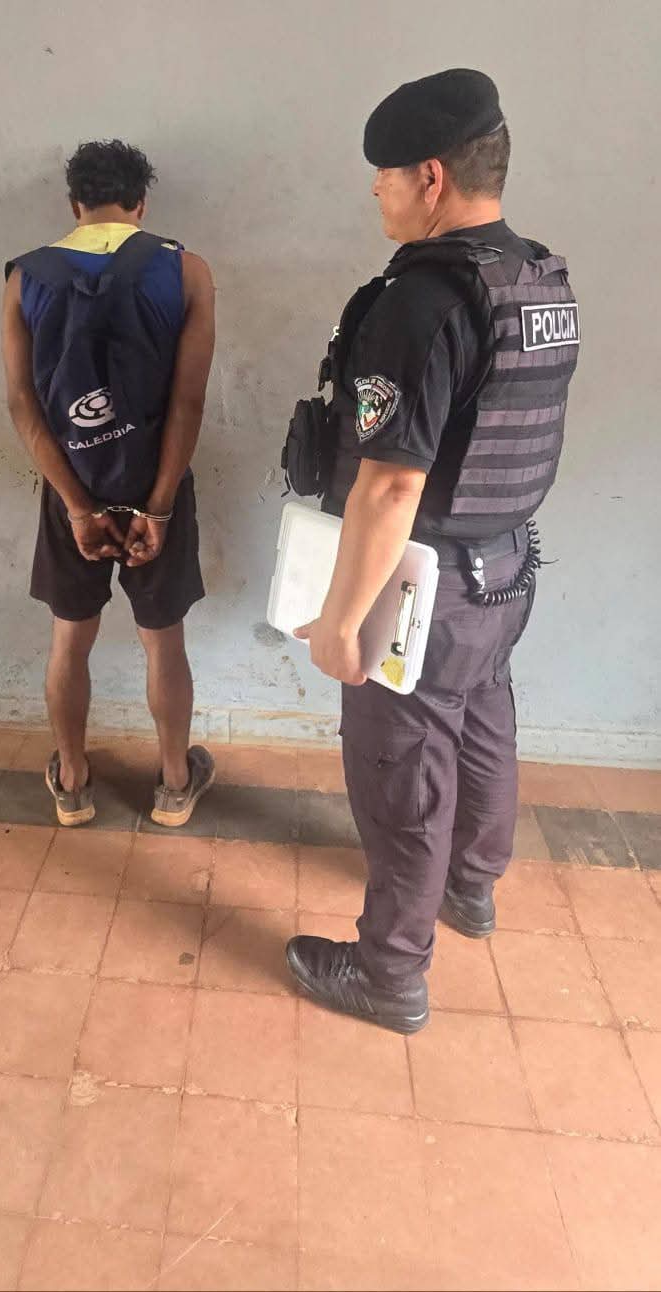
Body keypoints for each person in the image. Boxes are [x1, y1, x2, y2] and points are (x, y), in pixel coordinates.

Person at [285, 70, 579, 1033]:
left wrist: (340, 621)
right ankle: (471, 886)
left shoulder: (420, 302)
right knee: (484, 721)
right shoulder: (536, 280)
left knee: (403, 768)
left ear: (431, 178)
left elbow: (391, 485)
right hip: (506, 566)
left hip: (423, 584)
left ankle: (390, 974)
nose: (375, 189)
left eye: (384, 173)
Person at [2, 140, 216, 828]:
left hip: (71, 485)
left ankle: (73, 782)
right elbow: (188, 403)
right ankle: (175, 784)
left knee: (70, 638)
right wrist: (159, 507)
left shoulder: (25, 277)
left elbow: (23, 405)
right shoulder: (186, 271)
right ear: (140, 204)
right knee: (163, 640)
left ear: (75, 205)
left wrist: (76, 506)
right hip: (157, 485)